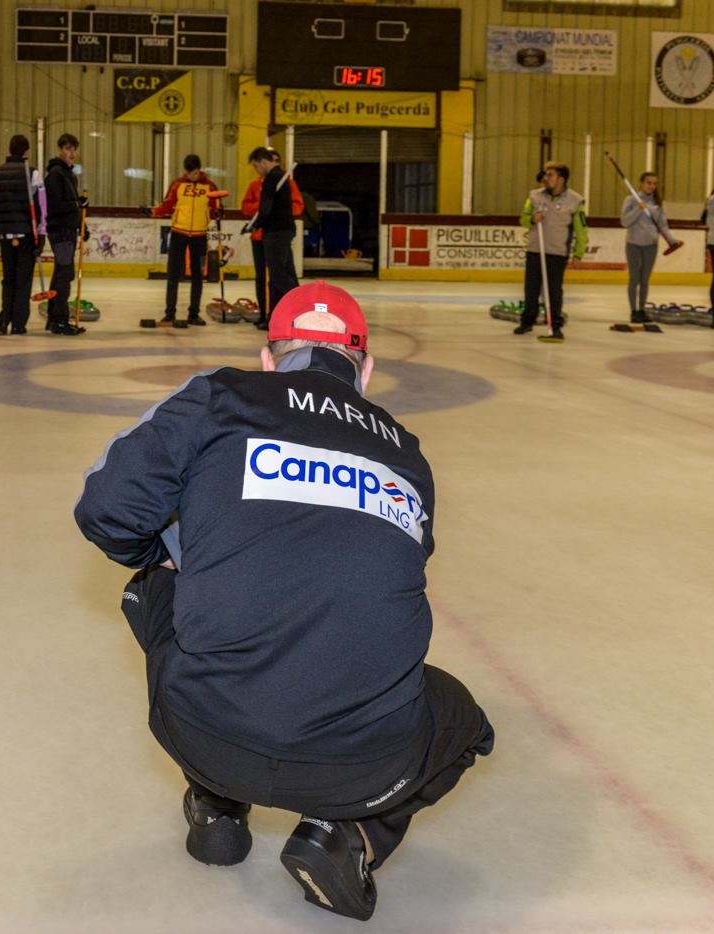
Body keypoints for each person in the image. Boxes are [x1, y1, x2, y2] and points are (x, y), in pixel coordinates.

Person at [74, 281, 493, 922]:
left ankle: (215, 802)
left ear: (270, 357)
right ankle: (346, 835)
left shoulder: (221, 393)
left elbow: (105, 506)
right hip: (360, 764)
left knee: (164, 580)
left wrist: (166, 559)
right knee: (462, 721)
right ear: (366, 371)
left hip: (200, 729)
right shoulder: (408, 454)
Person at [145, 154, 222, 326]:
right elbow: (167, 205)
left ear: (199, 169)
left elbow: (215, 208)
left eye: (195, 173)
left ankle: (194, 313)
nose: (192, 176)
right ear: (185, 171)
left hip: (199, 236)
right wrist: (153, 211)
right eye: (189, 173)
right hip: (179, 233)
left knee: (198, 276)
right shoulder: (178, 184)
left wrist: (217, 213)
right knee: (173, 274)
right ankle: (169, 313)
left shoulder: (210, 186)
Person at [516, 162, 587, 340]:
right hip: (535, 249)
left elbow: (581, 229)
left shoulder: (575, 200)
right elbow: (523, 219)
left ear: (561, 179)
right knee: (531, 289)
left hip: (557, 253)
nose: (546, 178)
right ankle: (527, 321)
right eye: (546, 175)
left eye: (551, 175)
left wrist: (579, 252)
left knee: (554, 291)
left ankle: (555, 324)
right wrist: (532, 219)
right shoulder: (534, 196)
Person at [0, 134, 45, 335]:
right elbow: (41, 206)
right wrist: (41, 233)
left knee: (8, 279)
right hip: (26, 235)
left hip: (5, 235)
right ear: (27, 151)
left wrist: (1, 229)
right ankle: (19, 323)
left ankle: (3, 321)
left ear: (10, 149)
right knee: (23, 280)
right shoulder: (33, 174)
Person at [240, 148, 303, 329]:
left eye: (256, 166)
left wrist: (253, 225)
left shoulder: (271, 180)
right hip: (284, 231)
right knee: (284, 273)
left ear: (263, 162)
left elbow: (265, 209)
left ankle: (301, 307)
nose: (256, 170)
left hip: (275, 232)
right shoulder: (281, 177)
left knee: (278, 276)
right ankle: (275, 318)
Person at [42, 133, 87, 336]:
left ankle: (54, 318)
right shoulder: (56, 174)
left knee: (60, 274)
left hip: (67, 229)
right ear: (60, 149)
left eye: (74, 149)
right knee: (65, 275)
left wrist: (82, 225)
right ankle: (60, 320)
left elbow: (72, 205)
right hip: (60, 230)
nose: (72, 153)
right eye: (68, 149)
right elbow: (55, 205)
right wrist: (76, 204)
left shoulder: (69, 175)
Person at [621, 172, 676, 326]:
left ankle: (642, 310)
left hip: (651, 245)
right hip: (633, 244)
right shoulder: (631, 200)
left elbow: (662, 225)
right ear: (641, 183)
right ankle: (633, 311)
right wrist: (638, 209)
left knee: (645, 280)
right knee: (634, 279)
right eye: (648, 183)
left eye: (654, 183)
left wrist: (672, 241)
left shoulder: (658, 203)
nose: (651, 186)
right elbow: (625, 222)